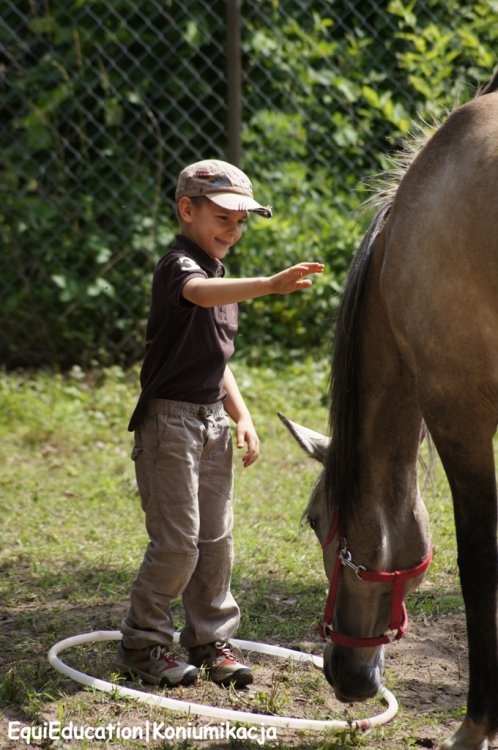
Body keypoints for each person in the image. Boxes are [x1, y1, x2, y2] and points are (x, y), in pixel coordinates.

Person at [116, 158, 324, 690]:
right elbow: (198, 296)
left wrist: (243, 415)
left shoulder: (220, 274)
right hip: (170, 426)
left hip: (212, 424)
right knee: (178, 544)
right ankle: (144, 642)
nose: (233, 231)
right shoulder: (180, 267)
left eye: (241, 222)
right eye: (223, 218)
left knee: (216, 540)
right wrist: (270, 286)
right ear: (188, 210)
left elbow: (215, 358)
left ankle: (210, 639)